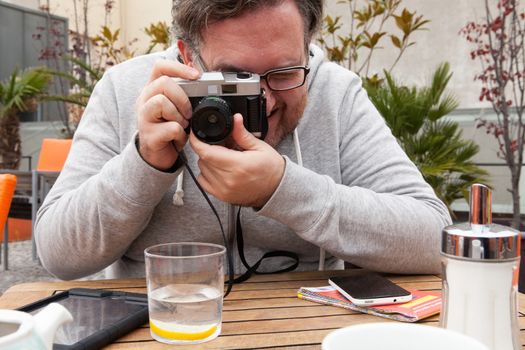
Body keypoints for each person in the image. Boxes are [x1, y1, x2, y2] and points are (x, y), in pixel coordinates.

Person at [35, 0, 451, 280]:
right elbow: (58, 253)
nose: (263, 101)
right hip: (164, 328)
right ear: (186, 56)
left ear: (308, 49)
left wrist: (284, 189)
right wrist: (144, 164)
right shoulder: (125, 89)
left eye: (285, 73)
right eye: (234, 78)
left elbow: (436, 240)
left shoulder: (335, 93)